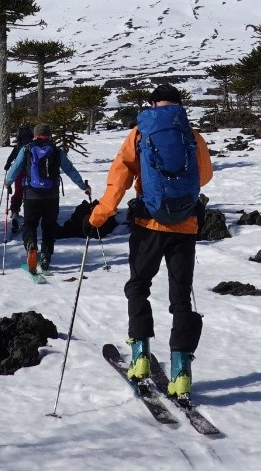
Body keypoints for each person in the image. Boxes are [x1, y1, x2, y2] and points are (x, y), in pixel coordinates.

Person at [89, 83, 213, 399]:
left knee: (138, 286)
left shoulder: (140, 134)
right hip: (185, 226)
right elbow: (205, 175)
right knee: (181, 298)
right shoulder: (192, 135)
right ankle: (181, 374)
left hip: (148, 224)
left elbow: (120, 175)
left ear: (153, 103)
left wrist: (102, 212)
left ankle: (141, 357)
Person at [4, 123, 92, 274]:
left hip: (31, 195)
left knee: (29, 224)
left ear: (35, 135)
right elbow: (70, 170)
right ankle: (46, 255)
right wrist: (83, 187)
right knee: (49, 225)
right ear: (49, 135)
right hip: (51, 195)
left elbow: (16, 167)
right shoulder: (57, 151)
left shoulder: (27, 149)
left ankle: (31, 245)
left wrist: (8, 182)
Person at [2, 125, 34, 236]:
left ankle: (15, 211)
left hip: (19, 172)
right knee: (30, 194)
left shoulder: (18, 146)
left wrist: (7, 166)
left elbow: (10, 159)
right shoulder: (33, 146)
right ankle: (28, 216)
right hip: (31, 173)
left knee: (18, 193)